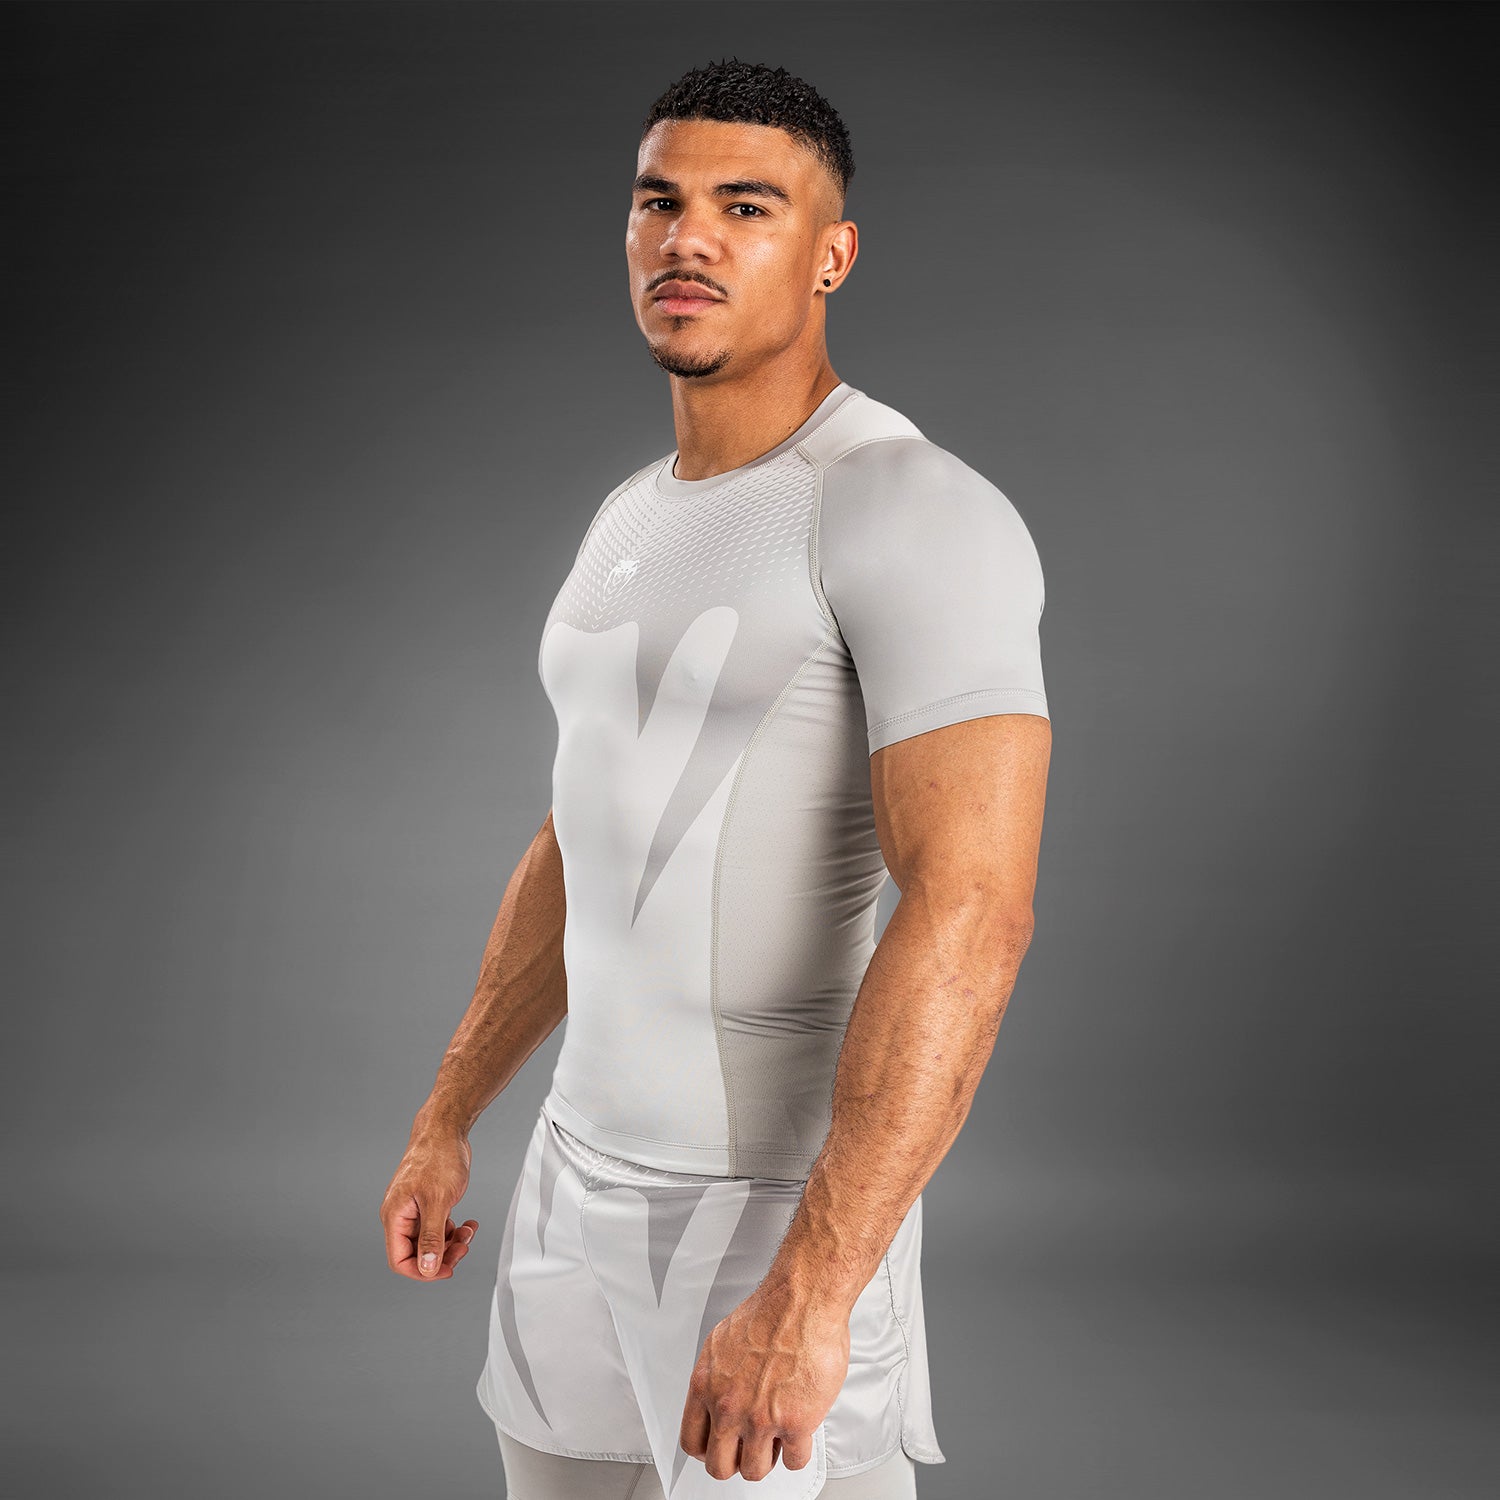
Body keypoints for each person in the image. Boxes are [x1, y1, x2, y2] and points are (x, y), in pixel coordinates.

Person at [379, 58, 1051, 1500]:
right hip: (572, 1177)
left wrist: (816, 1285)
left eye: (746, 207)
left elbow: (974, 909)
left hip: (768, 1216)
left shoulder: (909, 506)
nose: (687, 239)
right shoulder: (630, 515)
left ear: (831, 254)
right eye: (658, 203)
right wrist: (451, 1112)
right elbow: (586, 834)